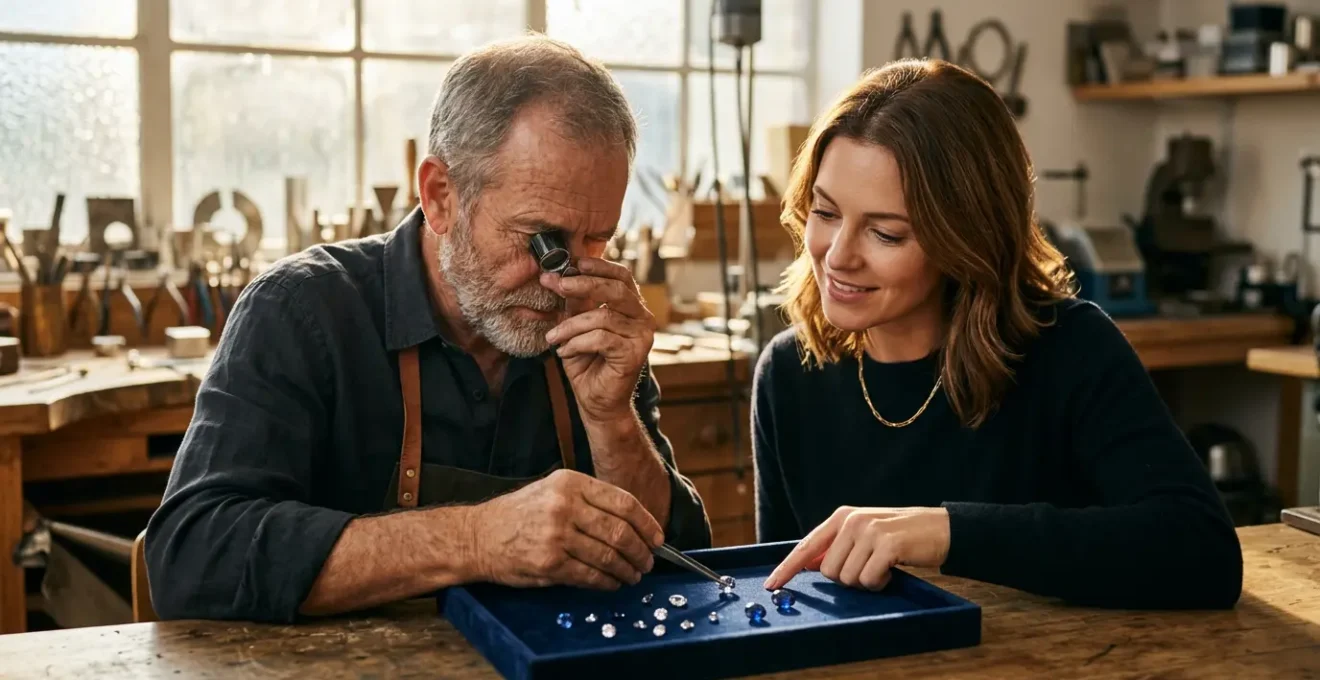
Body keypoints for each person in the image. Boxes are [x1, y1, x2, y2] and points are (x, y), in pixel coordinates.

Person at [144, 36, 711, 623]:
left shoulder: (596, 323)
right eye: (540, 238)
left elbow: (686, 582)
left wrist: (612, 422)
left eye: (597, 238)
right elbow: (192, 559)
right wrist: (474, 539)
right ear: (441, 196)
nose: (561, 276)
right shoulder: (302, 310)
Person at [752, 60, 1242, 610]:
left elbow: (1204, 552)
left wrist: (948, 534)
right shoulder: (788, 373)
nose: (838, 257)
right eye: (825, 212)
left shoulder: (1069, 349)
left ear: (966, 235)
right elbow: (782, 593)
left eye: (885, 233)